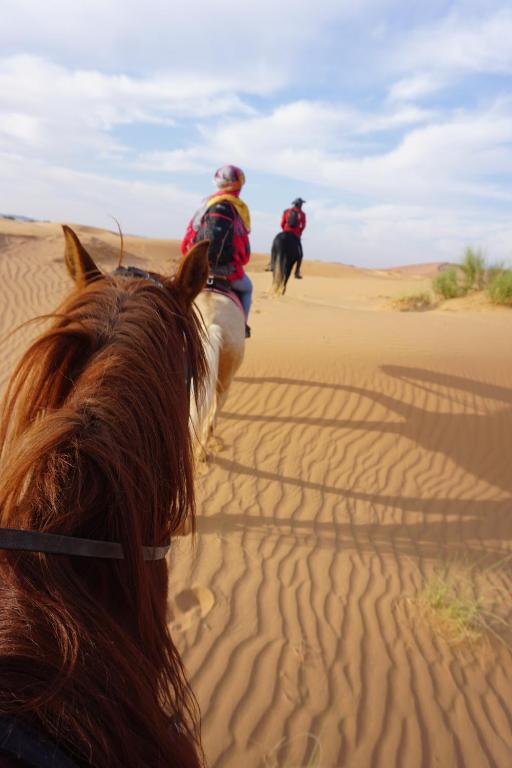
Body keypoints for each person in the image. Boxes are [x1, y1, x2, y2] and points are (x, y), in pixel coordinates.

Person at [181, 165, 253, 338]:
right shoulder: (239, 210)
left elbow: (187, 242)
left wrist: (192, 260)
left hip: (198, 270)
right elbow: (244, 253)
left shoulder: (205, 207)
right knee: (247, 289)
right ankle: (242, 327)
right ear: (238, 185)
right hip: (228, 274)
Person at [266, 198, 307, 277]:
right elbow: (303, 226)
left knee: (274, 247)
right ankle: (297, 272)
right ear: (300, 205)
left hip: (285, 231)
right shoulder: (302, 214)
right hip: (295, 235)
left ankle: (271, 264)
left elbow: (282, 223)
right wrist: (299, 232)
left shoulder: (286, 211)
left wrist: (285, 230)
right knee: (300, 254)